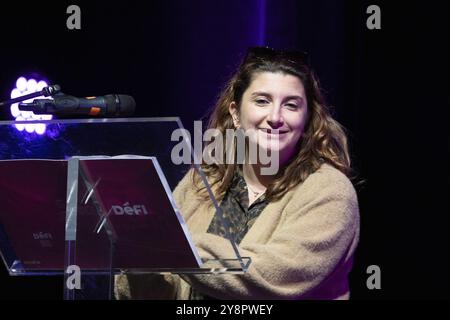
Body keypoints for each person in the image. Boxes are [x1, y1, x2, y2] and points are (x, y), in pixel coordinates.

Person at [115, 46, 360, 300]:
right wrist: (137, 252)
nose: (275, 117)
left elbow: (270, 277)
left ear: (307, 118)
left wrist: (175, 245)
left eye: (291, 105)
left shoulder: (330, 191)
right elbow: (162, 290)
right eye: (262, 101)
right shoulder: (204, 180)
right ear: (235, 113)